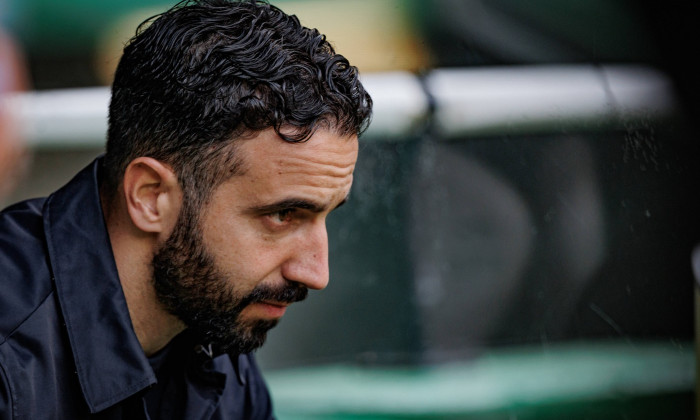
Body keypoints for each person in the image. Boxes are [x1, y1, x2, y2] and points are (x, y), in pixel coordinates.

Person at [0, 0, 372, 418]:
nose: (316, 273)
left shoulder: (212, 326)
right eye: (283, 215)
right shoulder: (10, 362)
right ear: (150, 196)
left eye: (326, 216)